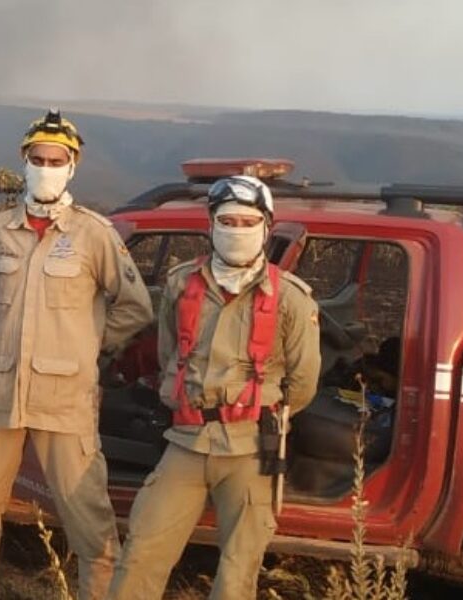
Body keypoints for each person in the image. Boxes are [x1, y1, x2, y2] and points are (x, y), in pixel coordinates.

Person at [0, 110, 155, 599]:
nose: (46, 167)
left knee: (91, 527)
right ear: (24, 162)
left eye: (56, 160)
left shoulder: (93, 234)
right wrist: (3, 331)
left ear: (72, 167)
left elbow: (134, 306)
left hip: (65, 401)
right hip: (1, 397)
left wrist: (90, 345)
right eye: (38, 159)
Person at [107, 175, 321, 600]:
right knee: (142, 553)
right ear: (211, 224)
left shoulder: (291, 299)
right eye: (227, 221)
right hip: (186, 441)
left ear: (265, 226)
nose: (236, 231)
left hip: (249, 450)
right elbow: (171, 356)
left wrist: (255, 410)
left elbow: (303, 382)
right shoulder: (181, 284)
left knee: (238, 573)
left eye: (246, 221)